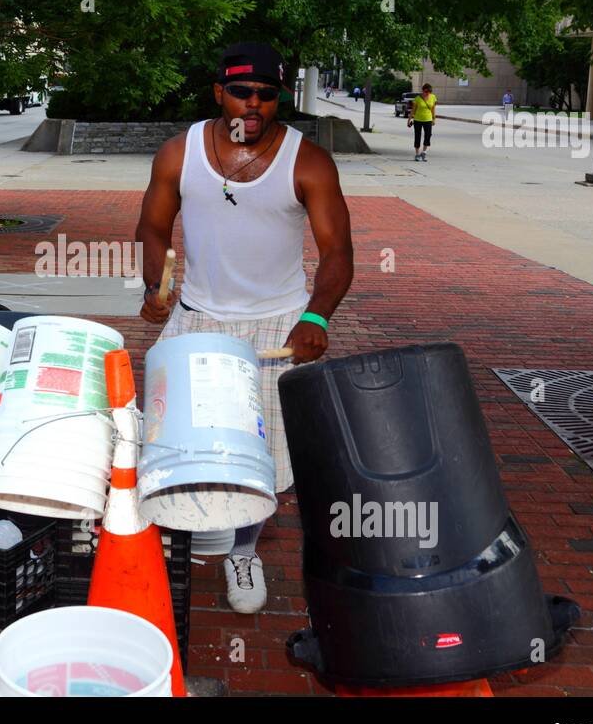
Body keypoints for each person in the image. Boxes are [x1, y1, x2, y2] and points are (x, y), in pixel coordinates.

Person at [135, 42, 355, 614]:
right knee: (168, 436)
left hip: (279, 324)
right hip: (198, 318)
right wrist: (155, 288)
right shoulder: (178, 153)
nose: (253, 105)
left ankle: (242, 551)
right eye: (241, 92)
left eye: (266, 94)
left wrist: (316, 316)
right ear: (218, 93)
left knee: (260, 456)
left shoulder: (308, 161)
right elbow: (153, 228)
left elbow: (338, 253)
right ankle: (167, 537)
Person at [408, 82, 437, 161]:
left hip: (428, 119)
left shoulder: (433, 97)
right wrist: (409, 119)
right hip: (418, 120)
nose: (428, 93)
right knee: (417, 136)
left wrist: (434, 119)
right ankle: (417, 154)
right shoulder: (417, 98)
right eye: (426, 92)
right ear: (423, 90)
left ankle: (424, 152)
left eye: (429, 92)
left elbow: (433, 109)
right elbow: (413, 110)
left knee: (428, 135)